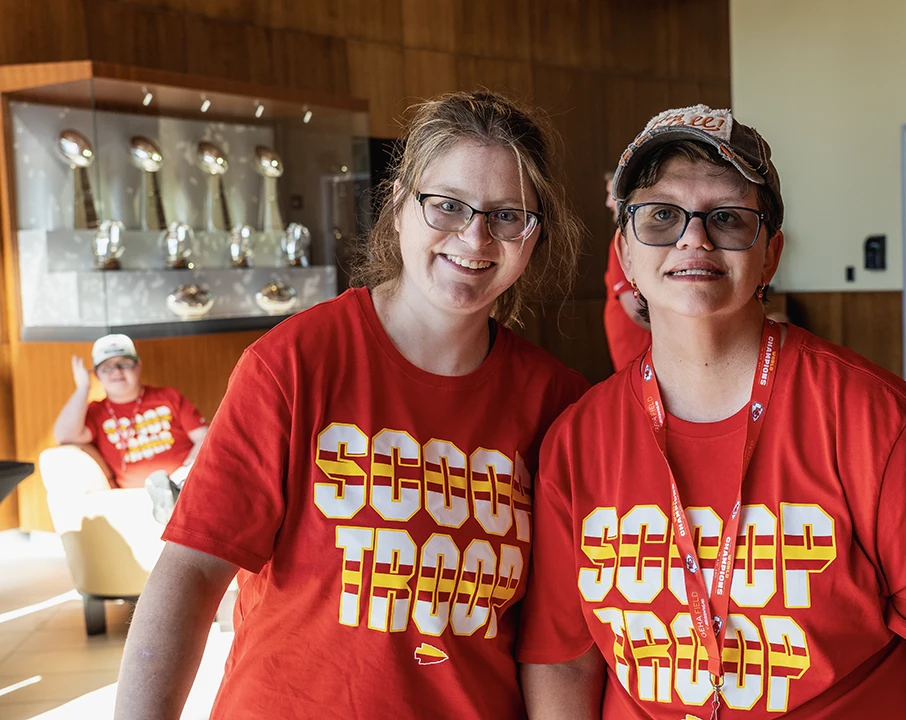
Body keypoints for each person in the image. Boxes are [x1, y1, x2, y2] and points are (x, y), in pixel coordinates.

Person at [518, 105, 906, 719]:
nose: (693, 238)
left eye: (728, 218)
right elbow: (565, 660)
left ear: (771, 254)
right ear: (624, 251)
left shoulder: (878, 421)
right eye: (661, 215)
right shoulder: (577, 441)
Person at [115, 91, 589, 720]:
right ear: (399, 208)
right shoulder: (296, 363)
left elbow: (555, 642)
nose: (475, 237)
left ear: (533, 237)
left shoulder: (557, 401)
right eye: (447, 205)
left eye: (508, 216)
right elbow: (192, 573)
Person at [52, 333, 207, 523]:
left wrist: (184, 473)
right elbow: (65, 436)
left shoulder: (168, 396)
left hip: (185, 484)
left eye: (124, 363)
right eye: (107, 367)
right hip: (136, 499)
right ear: (97, 374)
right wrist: (83, 387)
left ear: (138, 366)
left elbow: (204, 438)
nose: (116, 371)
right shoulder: (96, 412)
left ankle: (174, 495)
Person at [603, 171, 651, 370]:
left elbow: (636, 311)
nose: (607, 203)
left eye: (611, 194)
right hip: (633, 355)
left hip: (640, 355)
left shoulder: (626, 240)